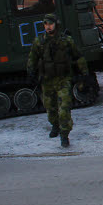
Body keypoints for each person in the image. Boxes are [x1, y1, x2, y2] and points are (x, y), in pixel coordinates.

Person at [26, 13, 88, 147]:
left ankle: (64, 135)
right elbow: (32, 58)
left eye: (50, 24)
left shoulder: (66, 41)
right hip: (47, 81)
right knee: (50, 108)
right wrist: (30, 72)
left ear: (56, 24)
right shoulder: (39, 42)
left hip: (63, 80)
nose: (48, 27)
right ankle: (55, 125)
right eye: (46, 24)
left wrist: (84, 73)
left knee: (64, 108)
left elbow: (78, 57)